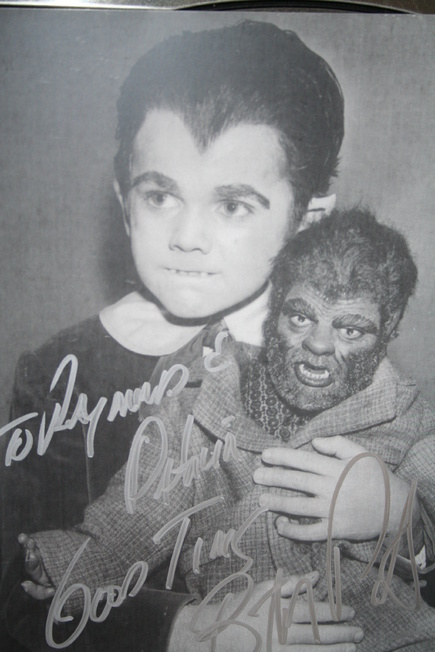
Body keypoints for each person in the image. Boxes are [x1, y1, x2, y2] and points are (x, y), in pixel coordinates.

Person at [0, 19, 364, 652]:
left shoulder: (344, 356)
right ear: (123, 200)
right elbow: (19, 592)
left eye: (232, 205)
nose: (187, 237)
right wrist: (177, 631)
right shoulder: (63, 370)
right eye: (161, 196)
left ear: (306, 223)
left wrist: (401, 522)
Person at [19, 209, 435, 651]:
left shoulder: (407, 416)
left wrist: (403, 516)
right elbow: (137, 519)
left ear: (389, 328)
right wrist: (69, 568)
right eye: (300, 318)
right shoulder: (200, 402)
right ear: (276, 307)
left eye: (350, 330)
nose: (318, 344)